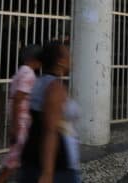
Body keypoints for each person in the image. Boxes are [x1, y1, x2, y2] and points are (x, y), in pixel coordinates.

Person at [20, 41, 80, 183]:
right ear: (60, 61)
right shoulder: (55, 89)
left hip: (31, 154)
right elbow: (50, 130)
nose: (71, 59)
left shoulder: (39, 82)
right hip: (55, 162)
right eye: (68, 55)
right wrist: (48, 172)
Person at [0, 45, 43, 183]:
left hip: (21, 119)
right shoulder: (28, 74)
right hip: (21, 120)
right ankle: (1, 179)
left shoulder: (22, 70)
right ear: (35, 59)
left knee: (22, 154)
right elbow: (18, 99)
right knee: (16, 154)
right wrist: (15, 126)